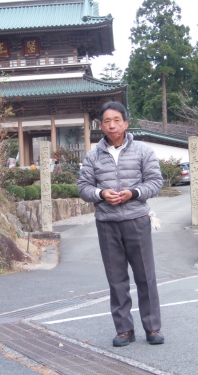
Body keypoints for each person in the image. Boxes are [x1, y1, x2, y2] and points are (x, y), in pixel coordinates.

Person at [77, 101, 164, 347]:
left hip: (137, 219)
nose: (112, 125)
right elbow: (83, 188)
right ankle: (124, 329)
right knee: (116, 279)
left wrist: (134, 193)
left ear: (126, 123)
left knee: (146, 276)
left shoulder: (143, 151)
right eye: (106, 121)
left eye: (116, 120)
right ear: (101, 125)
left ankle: (152, 327)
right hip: (107, 222)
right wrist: (100, 194)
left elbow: (155, 182)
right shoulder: (93, 156)